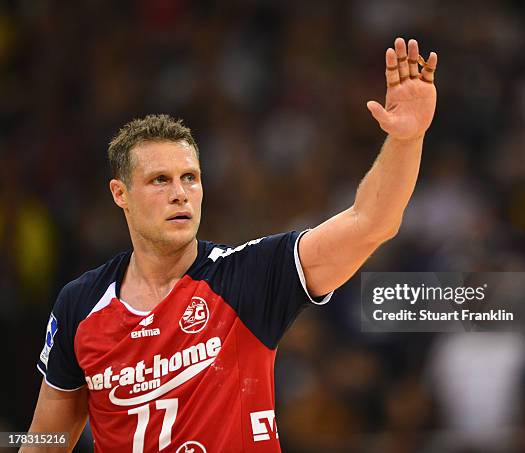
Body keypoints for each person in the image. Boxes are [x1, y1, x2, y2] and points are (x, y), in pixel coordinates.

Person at [23, 37, 437, 452]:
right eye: (160, 180)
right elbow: (45, 440)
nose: (180, 193)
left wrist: (406, 139)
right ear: (120, 194)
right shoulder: (81, 303)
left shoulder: (248, 274)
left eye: (190, 177)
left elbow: (370, 223)